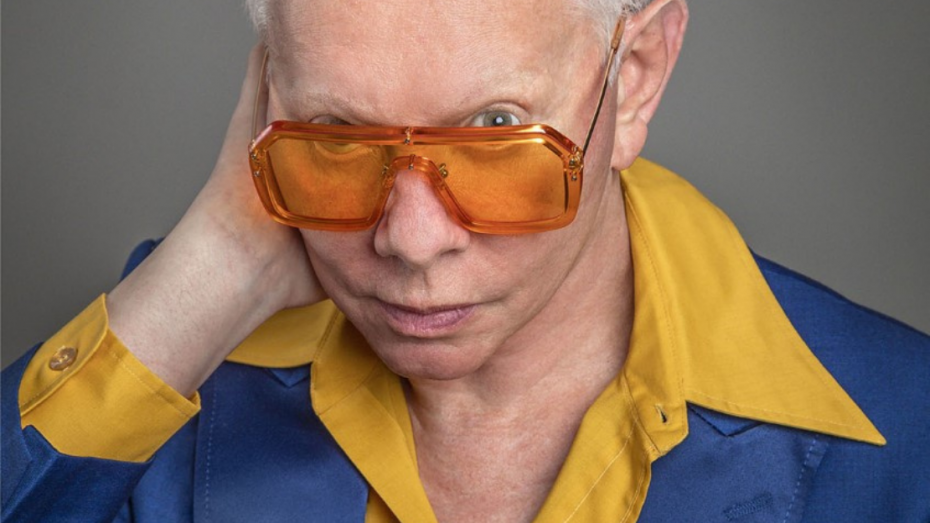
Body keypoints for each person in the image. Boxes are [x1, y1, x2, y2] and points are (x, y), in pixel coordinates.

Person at [2, 0, 928, 522]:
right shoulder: (169, 385)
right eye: (338, 128)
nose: (411, 241)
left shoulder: (906, 435)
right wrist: (215, 267)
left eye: (494, 127)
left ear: (638, 73)